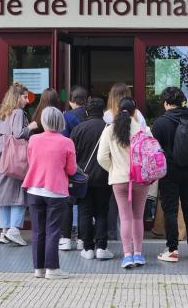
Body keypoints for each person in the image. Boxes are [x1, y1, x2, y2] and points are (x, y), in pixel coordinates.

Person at [22, 107, 76, 280]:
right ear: (61, 122)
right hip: (56, 190)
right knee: (53, 230)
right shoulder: (67, 142)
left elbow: (31, 161)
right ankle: (52, 269)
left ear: (43, 121)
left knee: (38, 231)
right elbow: (71, 169)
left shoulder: (33, 139)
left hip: (34, 189)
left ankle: (38, 268)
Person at [151, 87, 188, 262]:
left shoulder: (160, 123)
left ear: (166, 103)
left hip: (169, 171)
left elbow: (153, 150)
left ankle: (172, 249)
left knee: (170, 210)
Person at [97, 97, 149, 269]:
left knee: (125, 217)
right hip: (140, 179)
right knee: (138, 217)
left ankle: (127, 256)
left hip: (119, 179)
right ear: (135, 112)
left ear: (118, 110)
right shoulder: (143, 129)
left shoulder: (109, 130)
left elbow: (102, 157)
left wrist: (113, 169)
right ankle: (139, 254)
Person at [0, 82, 39, 245]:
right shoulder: (18, 113)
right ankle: (15, 230)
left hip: (1, 157)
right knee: (18, 194)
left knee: (4, 195)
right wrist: (31, 126)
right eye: (24, 97)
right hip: (15, 159)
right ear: (17, 98)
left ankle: (4, 231)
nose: (27, 100)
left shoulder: (2, 114)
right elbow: (18, 134)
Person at [70, 98, 113, 261]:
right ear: (103, 111)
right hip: (104, 176)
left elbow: (72, 155)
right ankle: (101, 247)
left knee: (84, 212)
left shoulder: (78, 129)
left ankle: (87, 247)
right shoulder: (108, 128)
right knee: (102, 211)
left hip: (83, 178)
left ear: (86, 111)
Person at [59, 85, 88, 251]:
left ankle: (65, 238)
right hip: (90, 164)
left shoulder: (67, 117)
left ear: (71, 101)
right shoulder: (91, 115)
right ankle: (83, 239)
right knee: (85, 203)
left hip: (72, 164)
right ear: (86, 100)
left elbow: (63, 144)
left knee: (68, 201)